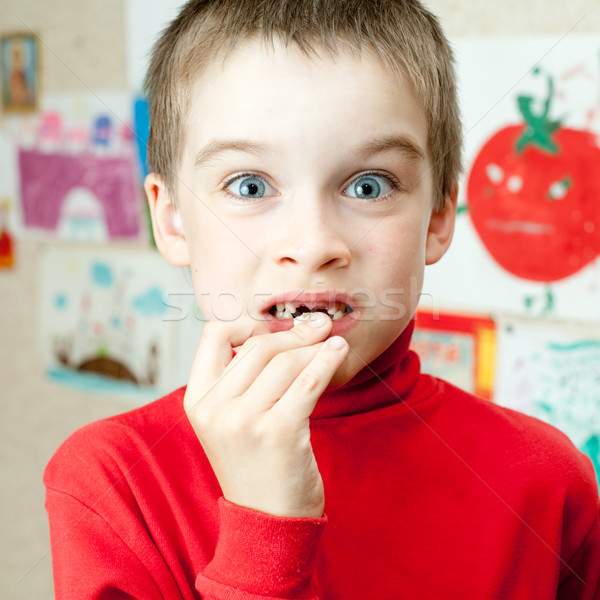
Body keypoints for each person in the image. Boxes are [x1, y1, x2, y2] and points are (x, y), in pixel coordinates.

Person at [44, 1, 600, 598]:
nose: (313, 245)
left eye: (369, 185)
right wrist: (264, 531)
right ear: (173, 220)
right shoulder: (110, 480)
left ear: (438, 217)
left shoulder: (548, 479)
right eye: (249, 186)